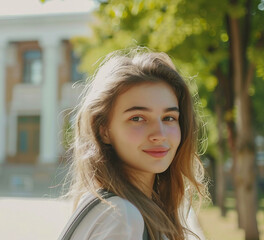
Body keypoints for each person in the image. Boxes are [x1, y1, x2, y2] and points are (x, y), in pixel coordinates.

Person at [61, 48, 208, 240]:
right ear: (104, 130)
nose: (159, 134)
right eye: (137, 118)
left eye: (169, 118)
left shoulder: (119, 209)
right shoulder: (122, 217)